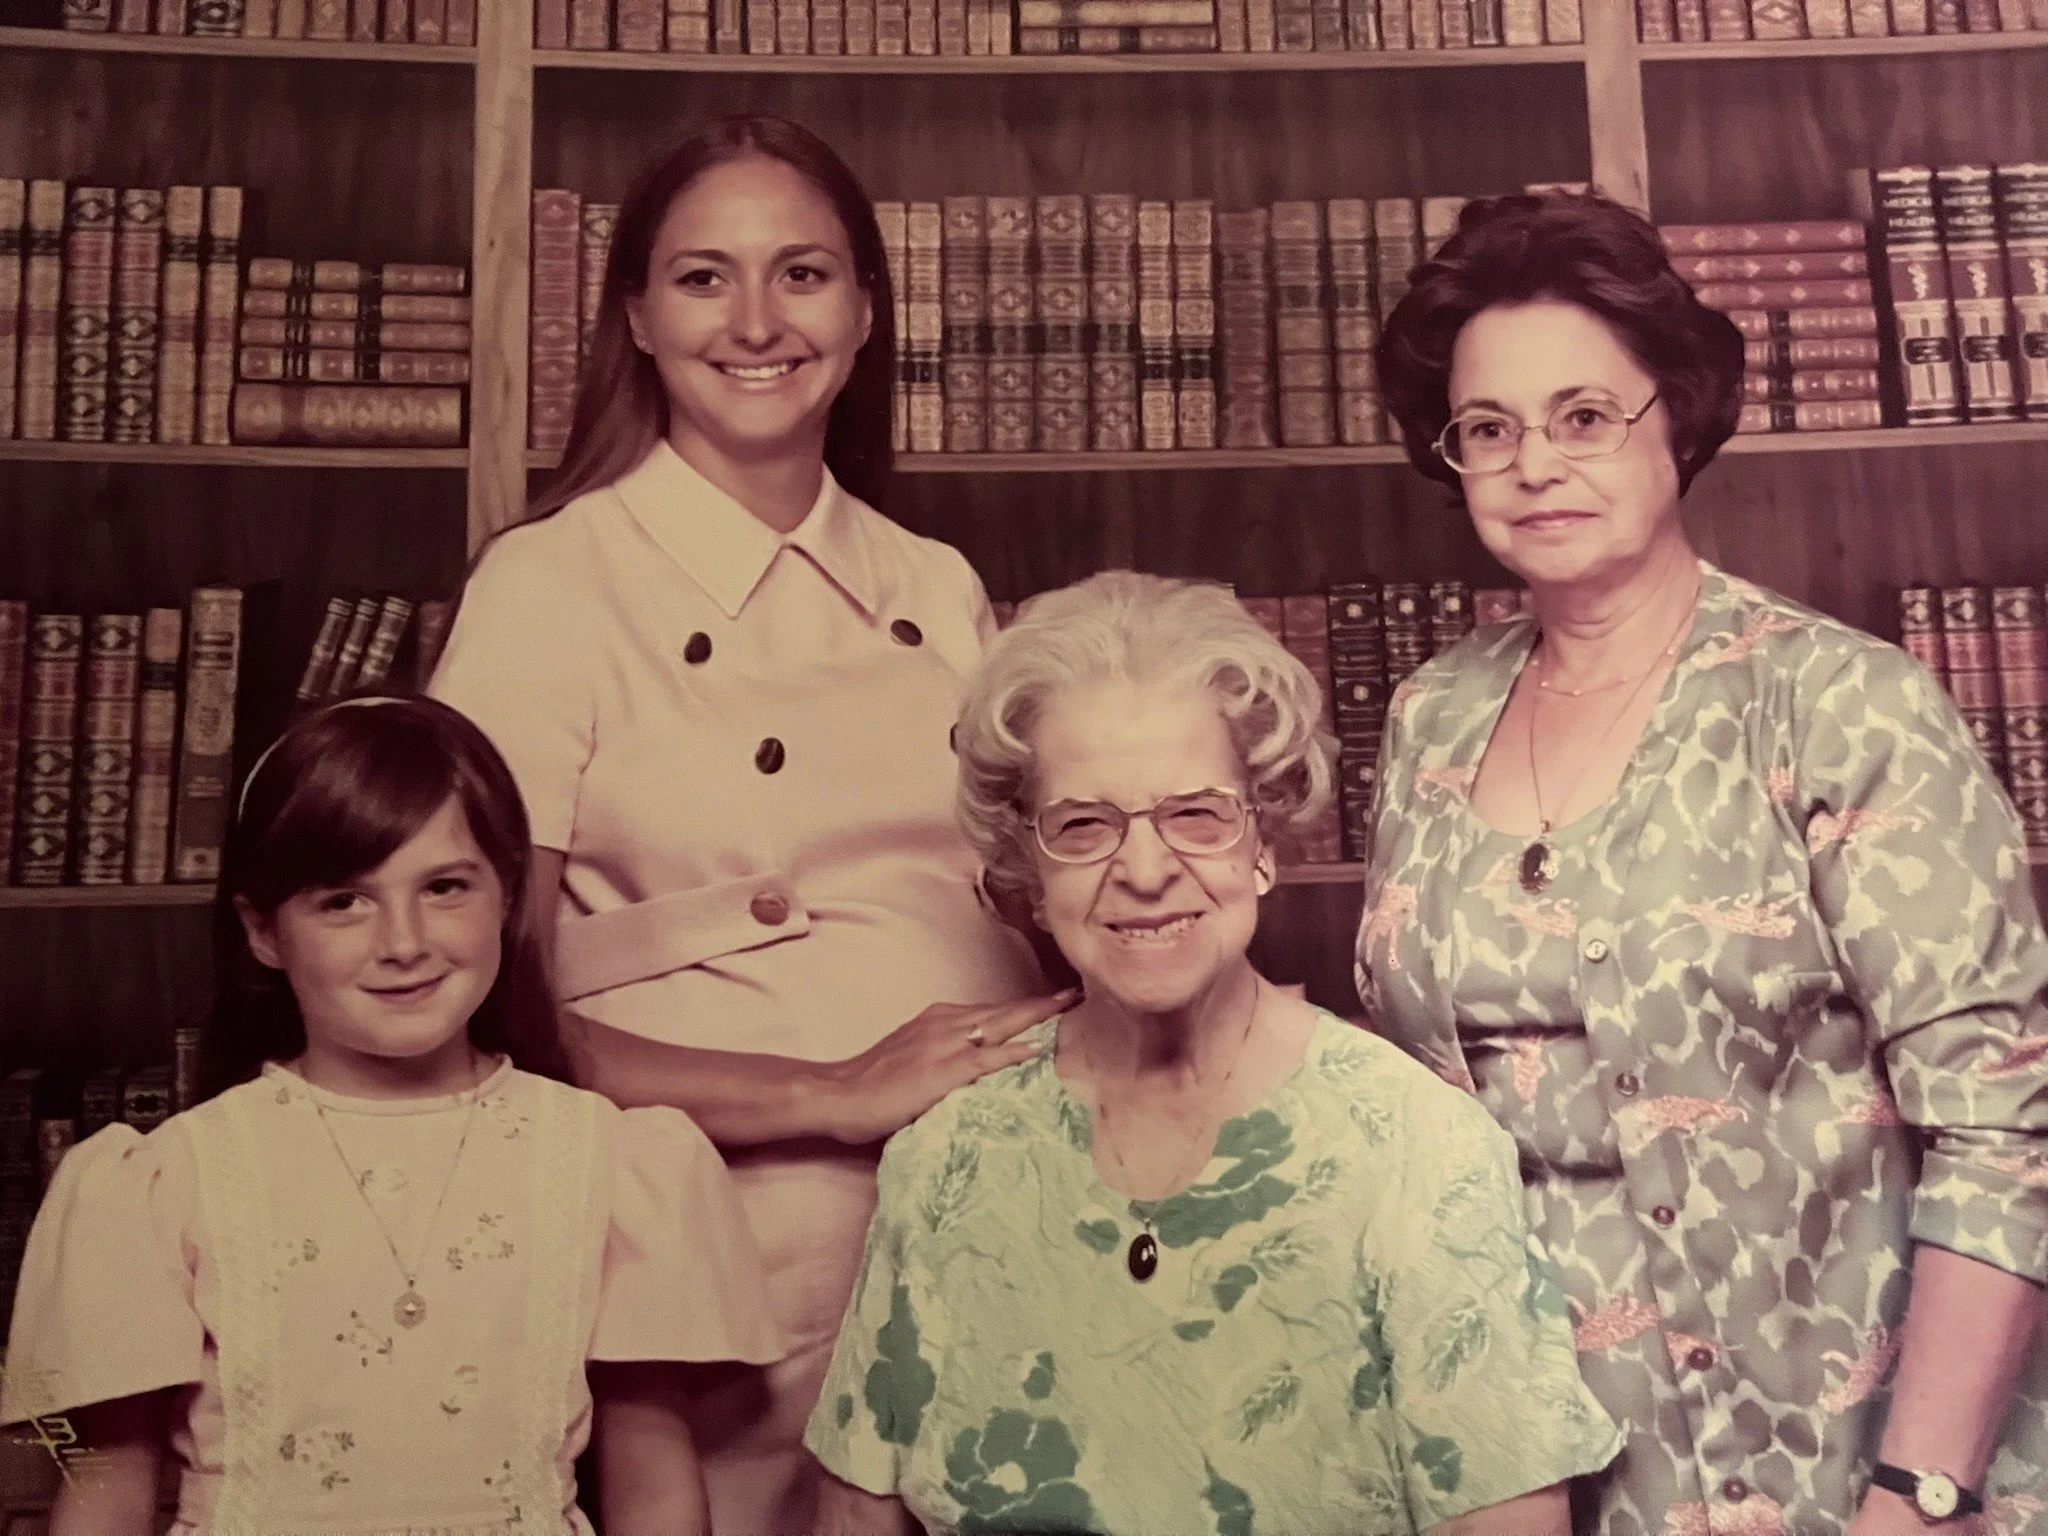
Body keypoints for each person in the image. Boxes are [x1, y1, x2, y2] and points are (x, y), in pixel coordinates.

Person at [1357, 190, 2048, 1536]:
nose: (1533, 464)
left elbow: (2004, 1128)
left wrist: (1919, 1495)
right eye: (1487, 428)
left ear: (1674, 415)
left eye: (1582, 416)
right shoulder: (1429, 717)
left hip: (1846, 1466)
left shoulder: (1839, 706)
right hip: (1530, 1478)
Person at [426, 114, 1063, 1534]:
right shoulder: (549, 585)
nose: (759, 322)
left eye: (804, 274)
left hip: (1004, 1203)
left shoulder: (936, 583)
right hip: (731, 1239)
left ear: (867, 312)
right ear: (636, 317)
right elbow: (483, 1009)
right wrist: (828, 1090)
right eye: (705, 277)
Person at [805, 572, 1621, 1536]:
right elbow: (856, 1517)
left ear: (1263, 839)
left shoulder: (1417, 1150)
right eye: (1083, 825)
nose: (1146, 871)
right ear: (1029, 867)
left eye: (1196, 814)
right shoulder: (947, 1154)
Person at [0, 696, 786, 1535]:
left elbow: (655, 1485)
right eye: (345, 901)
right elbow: (102, 1489)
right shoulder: (164, 1180)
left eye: (444, 887)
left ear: (507, 895)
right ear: (263, 932)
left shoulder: (615, 1162)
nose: (403, 943)